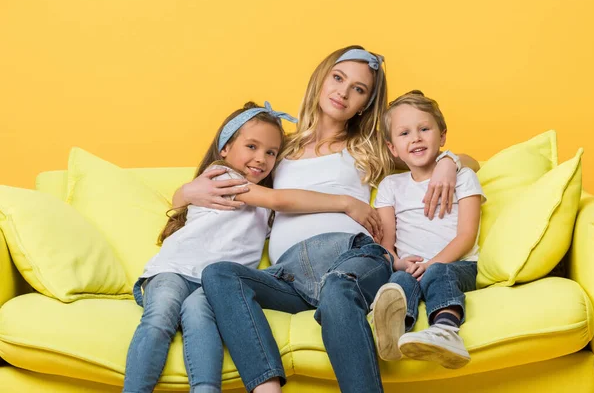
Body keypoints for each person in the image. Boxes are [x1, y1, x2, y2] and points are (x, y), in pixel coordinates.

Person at [173, 46, 480, 393]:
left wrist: (447, 163)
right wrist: (185, 193)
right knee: (220, 275)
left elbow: (466, 159)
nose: (343, 92)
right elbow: (230, 184)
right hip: (290, 275)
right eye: (338, 78)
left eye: (359, 89)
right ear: (321, 79)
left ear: (365, 103)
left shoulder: (368, 147)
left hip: (352, 256)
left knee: (338, 288)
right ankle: (266, 386)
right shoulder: (279, 150)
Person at [123, 101, 380, 393]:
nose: (261, 158)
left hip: (211, 284)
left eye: (271, 152)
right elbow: (280, 200)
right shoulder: (224, 177)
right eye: (252, 147)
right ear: (224, 149)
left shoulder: (261, 205)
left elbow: (276, 209)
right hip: (176, 268)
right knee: (160, 317)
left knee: (200, 322)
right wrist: (346, 202)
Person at [370, 90, 485, 370]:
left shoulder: (463, 176)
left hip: (457, 265)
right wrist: (397, 261)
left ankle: (446, 330)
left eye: (424, 129)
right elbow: (387, 241)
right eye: (405, 133)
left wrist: (432, 263)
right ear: (393, 148)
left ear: (442, 136)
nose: (416, 138)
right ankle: (394, 333)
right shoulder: (390, 186)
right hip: (413, 268)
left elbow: (466, 236)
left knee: (437, 273)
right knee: (398, 280)